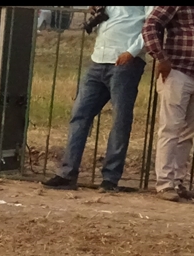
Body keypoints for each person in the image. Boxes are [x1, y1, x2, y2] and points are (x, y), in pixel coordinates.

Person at [42, 6, 150, 192]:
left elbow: (152, 25)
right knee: (79, 114)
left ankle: (110, 178)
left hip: (125, 60)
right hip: (99, 58)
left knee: (120, 120)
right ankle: (67, 173)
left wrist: (132, 52)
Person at [143, 6, 194, 201]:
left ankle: (177, 182)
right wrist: (161, 58)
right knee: (171, 128)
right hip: (178, 71)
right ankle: (164, 183)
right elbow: (150, 25)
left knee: (189, 131)